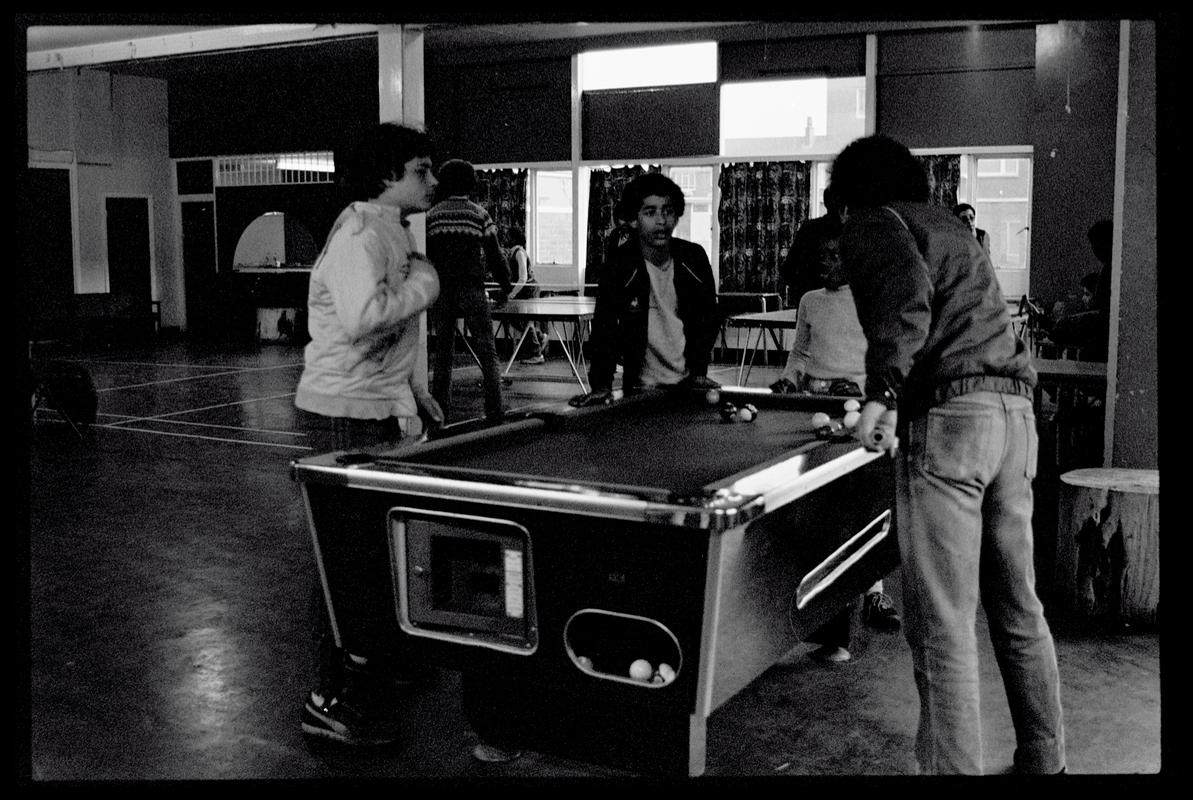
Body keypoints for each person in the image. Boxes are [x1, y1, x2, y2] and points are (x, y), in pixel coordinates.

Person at [832, 134, 1065, 775]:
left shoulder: (876, 220)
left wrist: (881, 397)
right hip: (1016, 419)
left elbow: (906, 300)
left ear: (851, 193)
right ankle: (1047, 762)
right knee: (1018, 607)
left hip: (953, 423)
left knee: (942, 623)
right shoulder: (954, 227)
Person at [293, 122, 444, 745]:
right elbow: (362, 319)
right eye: (421, 170)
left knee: (383, 547)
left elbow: (392, 334)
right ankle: (329, 699)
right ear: (387, 177)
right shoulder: (360, 233)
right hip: (343, 412)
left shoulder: (389, 228)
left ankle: (380, 663)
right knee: (345, 560)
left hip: (374, 406)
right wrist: (426, 285)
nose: (432, 180)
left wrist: (414, 392)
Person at [767, 231, 901, 662]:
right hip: (815, 408)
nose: (824, 263)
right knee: (819, 504)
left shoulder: (872, 297)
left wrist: (863, 390)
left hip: (859, 410)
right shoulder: (809, 300)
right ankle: (813, 616)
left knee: (859, 503)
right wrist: (790, 379)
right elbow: (800, 353)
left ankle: (874, 592)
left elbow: (887, 356)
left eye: (833, 255)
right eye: (821, 256)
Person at [568, 172, 720, 407]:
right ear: (634, 219)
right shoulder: (619, 265)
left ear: (676, 216)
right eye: (650, 212)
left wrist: (699, 370)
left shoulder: (694, 258)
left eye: (667, 211)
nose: (661, 220)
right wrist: (601, 386)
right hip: (639, 390)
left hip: (688, 388)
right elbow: (604, 327)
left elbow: (708, 317)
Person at [426, 159, 513, 423]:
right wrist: (506, 284)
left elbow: (427, 256)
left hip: (442, 290)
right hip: (472, 289)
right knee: (488, 351)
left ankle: (440, 413)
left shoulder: (433, 216)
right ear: (470, 183)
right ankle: (495, 410)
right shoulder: (479, 214)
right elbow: (495, 255)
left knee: (443, 355)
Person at [1048, 219, 1112, 360]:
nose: (1094, 250)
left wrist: (1066, 323)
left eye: (1096, 244)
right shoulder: (1108, 269)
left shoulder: (1110, 271)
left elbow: (1103, 317)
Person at [778, 182, 844, 310]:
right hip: (836, 308)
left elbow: (788, 270)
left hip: (810, 304)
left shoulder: (809, 229)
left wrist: (802, 294)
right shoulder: (849, 233)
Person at [504, 225, 549, 364]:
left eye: (507, 235)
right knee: (516, 319)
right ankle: (540, 337)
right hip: (523, 290)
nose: (505, 238)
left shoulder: (519, 253)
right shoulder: (511, 252)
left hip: (529, 289)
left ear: (513, 238)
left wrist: (512, 294)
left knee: (524, 320)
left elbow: (523, 278)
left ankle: (536, 353)